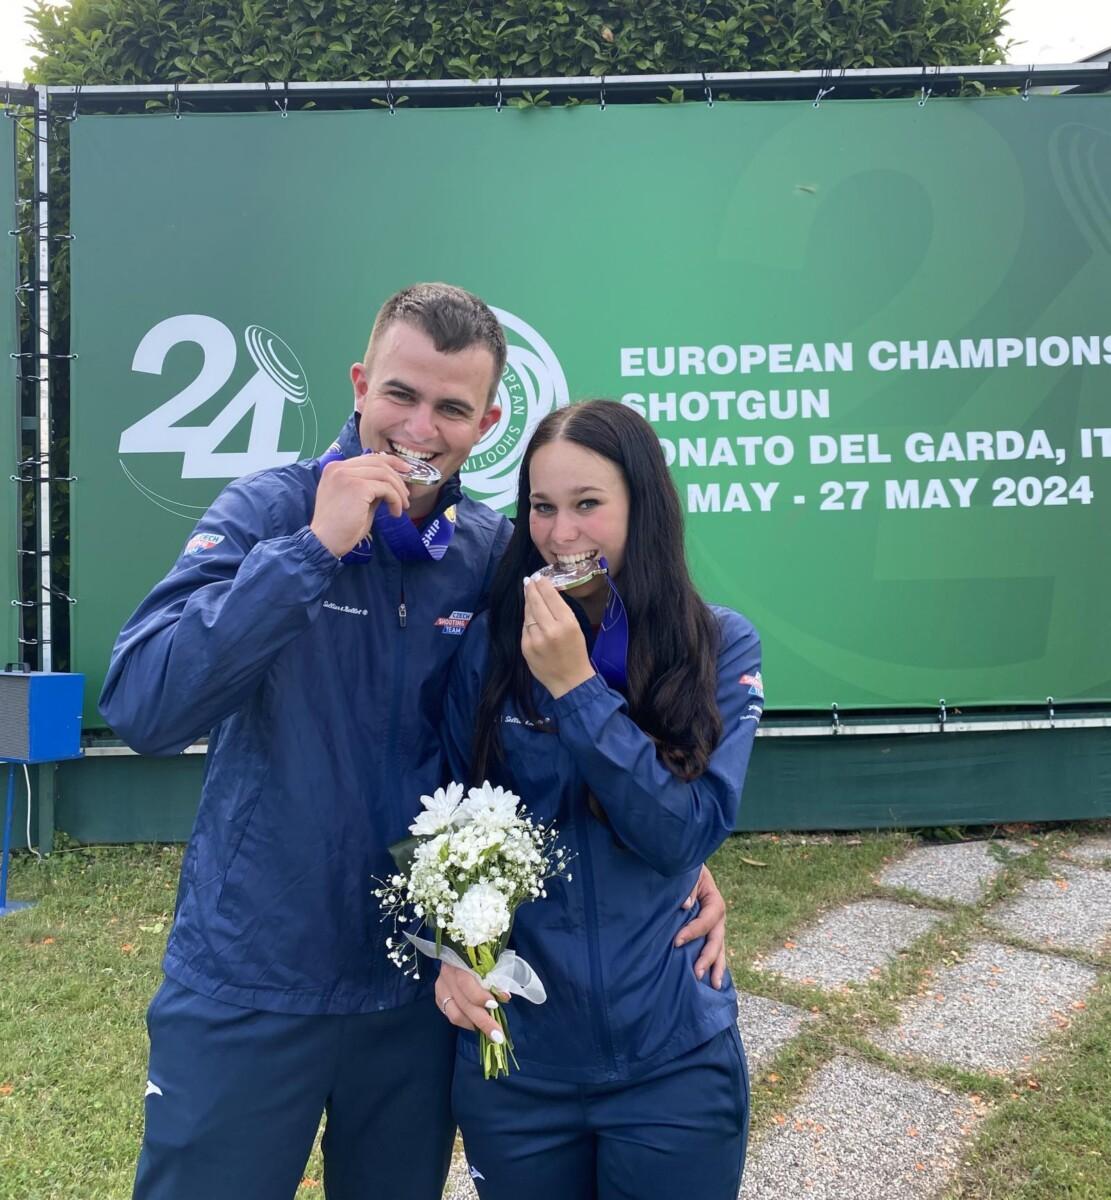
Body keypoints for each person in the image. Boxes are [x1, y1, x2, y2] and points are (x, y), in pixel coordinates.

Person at [100, 284, 730, 1200]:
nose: (420, 428)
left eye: (451, 408)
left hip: (418, 993)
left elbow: (563, 741)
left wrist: (682, 864)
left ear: (487, 423)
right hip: (252, 974)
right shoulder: (269, 512)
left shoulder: (495, 556)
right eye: (400, 394)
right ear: (360, 384)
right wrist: (312, 550)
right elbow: (142, 706)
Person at [436, 399, 762, 1200]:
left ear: (642, 508)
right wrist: (446, 950)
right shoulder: (491, 646)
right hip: (518, 1063)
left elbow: (681, 835)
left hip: (671, 1064)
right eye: (542, 507)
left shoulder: (717, 644)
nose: (561, 534)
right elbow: (445, 815)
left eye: (588, 504)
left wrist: (577, 688)